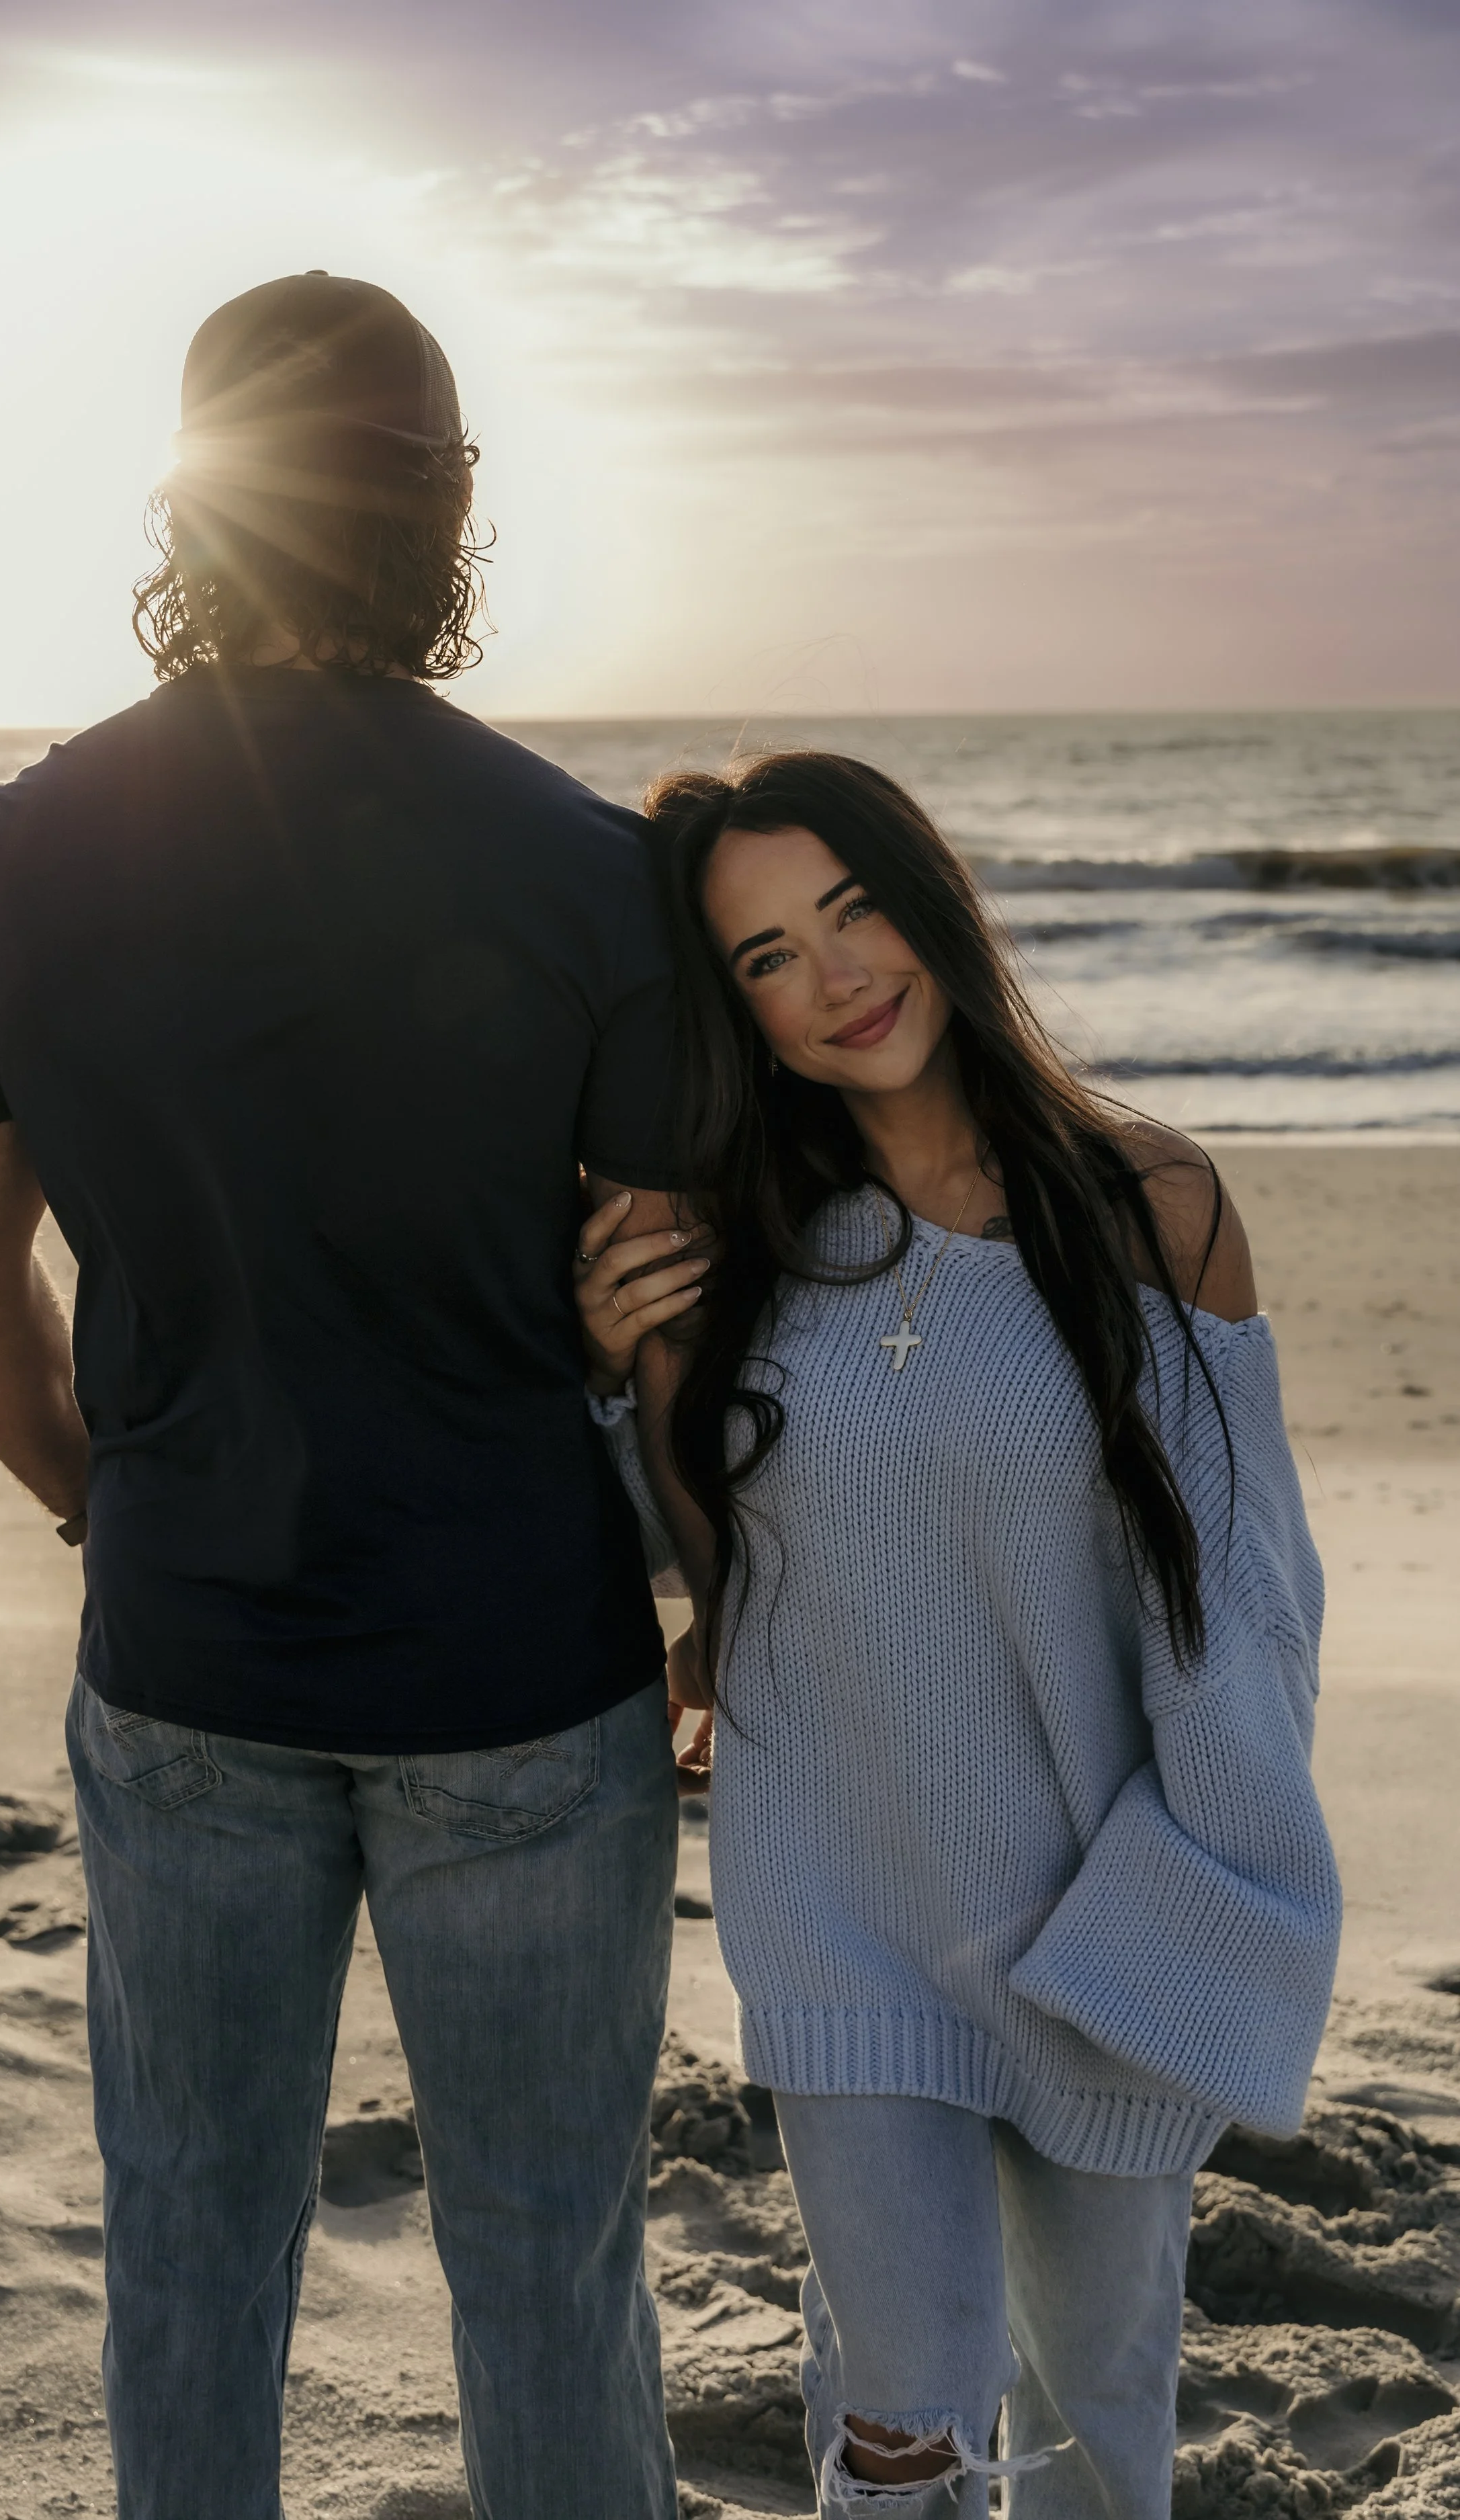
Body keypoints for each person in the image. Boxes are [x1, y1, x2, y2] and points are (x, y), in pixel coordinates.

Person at [0, 274, 689, 2520]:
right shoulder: (585, 870)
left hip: (187, 1653)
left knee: (189, 2245)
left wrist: (104, 1495)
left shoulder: (5, 859)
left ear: (190, 502)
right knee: (549, 2261)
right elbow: (668, 1305)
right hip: (524, 1664)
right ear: (448, 519)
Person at [576, 751, 1341, 2519]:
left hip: (1100, 1922)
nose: (836, 976)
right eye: (768, 953)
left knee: (1092, 2419)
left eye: (850, 910)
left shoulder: (1152, 1200)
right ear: (737, 1010)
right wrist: (626, 1371)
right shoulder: (738, 1241)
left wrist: (1188, 1927)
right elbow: (729, 1584)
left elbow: (1243, 1617)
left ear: (930, 901)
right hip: (842, 1912)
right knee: (897, 2428)